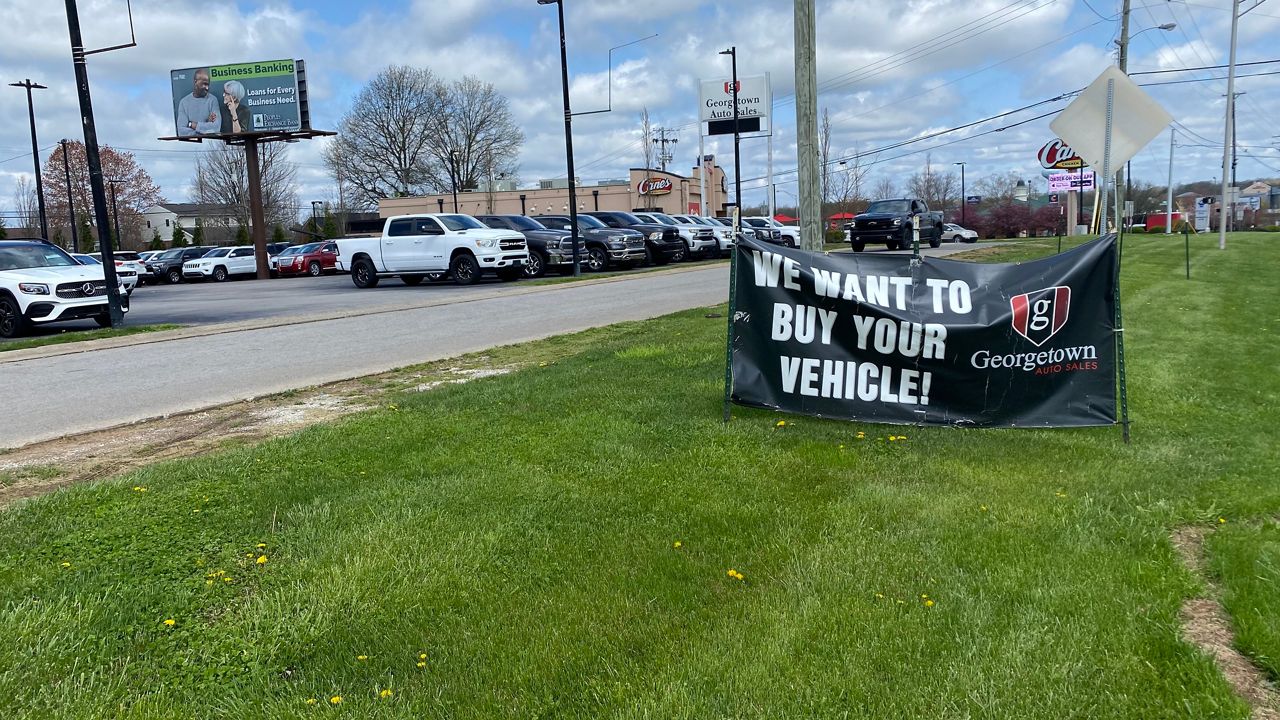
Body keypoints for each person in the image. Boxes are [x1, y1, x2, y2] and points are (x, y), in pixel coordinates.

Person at [175, 69, 220, 137]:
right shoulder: (184, 102)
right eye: (204, 84)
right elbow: (181, 131)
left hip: (213, 144)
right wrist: (206, 125)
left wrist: (191, 125)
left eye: (208, 85)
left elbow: (216, 127)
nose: (207, 88)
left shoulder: (212, 100)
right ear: (195, 82)